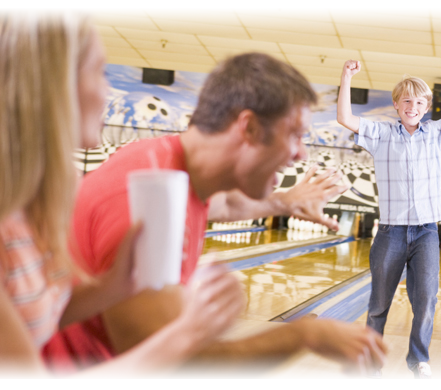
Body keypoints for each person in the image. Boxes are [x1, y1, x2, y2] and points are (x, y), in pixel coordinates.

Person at [41, 52, 388, 378]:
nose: (300, 154)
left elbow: (224, 205)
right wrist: (304, 334)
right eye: (294, 135)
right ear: (248, 128)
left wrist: (283, 203)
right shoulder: (144, 205)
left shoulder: (169, 166)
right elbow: (177, 368)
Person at [0, 8, 244, 378]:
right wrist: (188, 335)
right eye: (99, 71)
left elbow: (33, 313)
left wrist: (113, 287)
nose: (108, 91)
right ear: (50, 84)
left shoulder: (19, 210)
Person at [337, 59, 441, 379]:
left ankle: (419, 359)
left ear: (427, 107)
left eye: (420, 101)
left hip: (426, 232)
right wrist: (347, 77)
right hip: (391, 231)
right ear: (396, 104)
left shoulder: (436, 132)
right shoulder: (380, 134)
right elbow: (345, 118)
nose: (413, 106)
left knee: (426, 302)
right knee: (379, 303)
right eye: (406, 100)